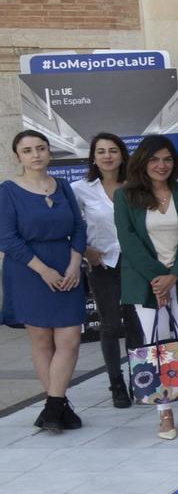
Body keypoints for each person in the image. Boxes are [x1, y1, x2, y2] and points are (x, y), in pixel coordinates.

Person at [114, 136, 178, 438]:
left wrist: (174, 276)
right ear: (142, 162)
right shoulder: (125, 196)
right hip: (146, 284)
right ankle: (164, 412)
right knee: (158, 347)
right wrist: (158, 279)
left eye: (167, 159)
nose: (161, 165)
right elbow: (128, 241)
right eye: (154, 159)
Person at [3, 129, 88, 431]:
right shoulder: (8, 190)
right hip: (28, 270)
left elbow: (79, 227)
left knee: (70, 339)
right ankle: (57, 406)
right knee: (41, 341)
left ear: (50, 152)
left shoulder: (63, 186)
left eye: (41, 148)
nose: (36, 154)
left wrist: (75, 264)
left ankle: (53, 407)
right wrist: (43, 270)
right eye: (28, 150)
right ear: (18, 156)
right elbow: (7, 238)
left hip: (67, 266)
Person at [71, 133, 133, 408]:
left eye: (113, 150)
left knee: (137, 325)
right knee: (110, 325)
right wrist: (85, 250)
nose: (107, 156)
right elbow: (71, 225)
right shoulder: (80, 188)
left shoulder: (136, 186)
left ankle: (141, 378)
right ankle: (116, 382)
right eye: (101, 151)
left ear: (122, 154)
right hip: (103, 263)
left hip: (136, 262)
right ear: (93, 158)